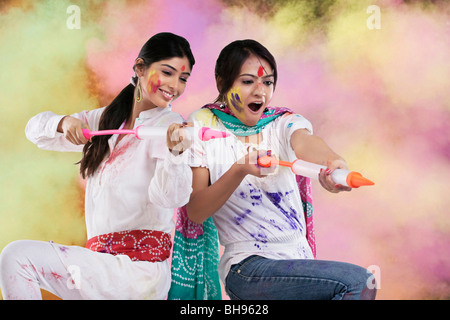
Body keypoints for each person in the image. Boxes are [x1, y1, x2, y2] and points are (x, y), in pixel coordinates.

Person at [0, 32, 195, 300]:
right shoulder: (104, 120)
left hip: (138, 275)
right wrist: (65, 123)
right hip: (97, 269)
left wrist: (176, 153)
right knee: (16, 259)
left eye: (183, 79)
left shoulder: (169, 126)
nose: (174, 85)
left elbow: (171, 198)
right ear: (139, 67)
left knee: (18, 257)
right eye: (167, 72)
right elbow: (34, 131)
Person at [177, 39, 376, 300]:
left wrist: (333, 161)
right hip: (247, 267)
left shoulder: (280, 122)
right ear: (221, 81)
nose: (260, 91)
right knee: (360, 282)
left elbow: (304, 141)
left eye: (268, 82)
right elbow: (196, 211)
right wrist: (240, 169)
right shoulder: (202, 128)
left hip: (298, 262)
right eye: (248, 81)